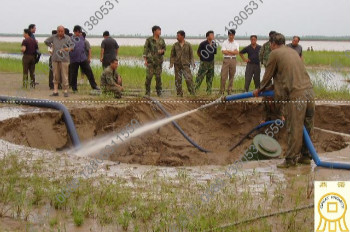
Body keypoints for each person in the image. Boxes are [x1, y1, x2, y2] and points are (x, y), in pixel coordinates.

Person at [253, 33, 315, 168]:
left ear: (272, 44)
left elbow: (267, 75)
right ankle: (305, 156)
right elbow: (285, 76)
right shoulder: (292, 51)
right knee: (307, 126)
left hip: (296, 95)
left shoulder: (274, 54)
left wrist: (259, 89)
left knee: (295, 127)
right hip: (309, 92)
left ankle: (290, 160)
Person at [44, 25, 74, 97]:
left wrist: (67, 49)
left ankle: (65, 91)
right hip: (55, 59)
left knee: (65, 75)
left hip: (64, 59)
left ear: (64, 31)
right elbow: (46, 41)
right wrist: (51, 46)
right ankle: (55, 91)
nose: (60, 33)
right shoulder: (53, 37)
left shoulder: (67, 38)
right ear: (57, 31)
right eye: (59, 31)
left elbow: (72, 46)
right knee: (55, 75)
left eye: (62, 31)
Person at [69, 25, 100, 92]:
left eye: (80, 32)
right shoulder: (70, 39)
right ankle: (74, 88)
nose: (80, 33)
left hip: (83, 58)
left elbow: (87, 49)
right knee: (74, 74)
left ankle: (94, 86)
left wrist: (88, 58)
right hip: (74, 59)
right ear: (75, 31)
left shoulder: (82, 38)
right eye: (78, 32)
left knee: (89, 72)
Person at [169, 30, 195, 96]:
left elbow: (191, 55)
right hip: (177, 65)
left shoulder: (188, 45)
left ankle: (192, 93)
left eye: (178, 36)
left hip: (186, 65)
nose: (177, 37)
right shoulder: (175, 45)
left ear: (182, 36)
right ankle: (179, 94)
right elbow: (172, 55)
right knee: (178, 80)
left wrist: (192, 63)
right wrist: (171, 63)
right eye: (177, 36)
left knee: (189, 79)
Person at [143, 25, 166, 97]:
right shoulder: (149, 40)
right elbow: (145, 50)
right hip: (150, 62)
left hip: (159, 62)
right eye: (159, 30)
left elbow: (164, 48)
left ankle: (159, 92)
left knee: (158, 78)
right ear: (154, 31)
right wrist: (145, 60)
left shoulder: (162, 40)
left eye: (160, 30)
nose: (160, 32)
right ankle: (147, 92)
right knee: (149, 77)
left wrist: (162, 51)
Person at [195, 30, 217, 95]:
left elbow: (214, 52)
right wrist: (202, 59)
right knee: (200, 77)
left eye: (213, 35)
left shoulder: (214, 44)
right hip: (204, 63)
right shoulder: (203, 44)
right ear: (207, 36)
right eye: (211, 35)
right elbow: (198, 52)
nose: (213, 36)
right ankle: (195, 90)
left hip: (211, 63)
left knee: (210, 78)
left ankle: (209, 92)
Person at [220, 29, 239, 95]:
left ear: (234, 35)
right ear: (228, 35)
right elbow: (223, 51)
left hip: (233, 60)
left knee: (232, 75)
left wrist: (229, 51)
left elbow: (236, 52)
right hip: (226, 59)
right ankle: (222, 91)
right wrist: (232, 52)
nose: (231, 36)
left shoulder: (236, 43)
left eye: (232, 35)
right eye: (230, 35)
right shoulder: (225, 42)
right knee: (223, 76)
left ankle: (229, 90)